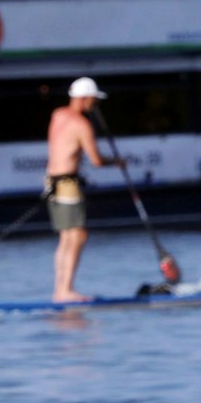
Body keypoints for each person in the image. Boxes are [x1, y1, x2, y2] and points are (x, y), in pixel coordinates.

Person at [46, 76, 119, 303]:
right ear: (84, 98)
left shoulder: (57, 115)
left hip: (51, 181)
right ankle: (64, 291)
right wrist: (118, 162)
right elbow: (96, 160)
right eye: (94, 100)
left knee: (67, 237)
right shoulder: (82, 124)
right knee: (78, 235)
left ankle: (60, 291)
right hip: (67, 184)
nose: (95, 105)